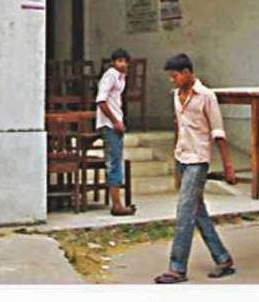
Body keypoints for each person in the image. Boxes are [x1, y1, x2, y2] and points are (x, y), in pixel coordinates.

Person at [154, 53, 237, 283]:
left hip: (198, 160)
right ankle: (223, 258)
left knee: (184, 211)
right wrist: (176, 157)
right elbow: (179, 127)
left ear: (187, 72)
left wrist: (228, 166)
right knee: (197, 211)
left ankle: (177, 267)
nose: (172, 80)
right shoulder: (176, 96)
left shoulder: (207, 96)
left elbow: (218, 132)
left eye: (175, 75)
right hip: (182, 157)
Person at [95, 48, 136, 216]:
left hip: (116, 121)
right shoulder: (110, 75)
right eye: (119, 61)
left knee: (116, 160)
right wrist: (115, 121)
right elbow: (101, 101)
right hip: (110, 124)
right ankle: (117, 205)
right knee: (114, 162)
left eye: (125, 61)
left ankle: (118, 202)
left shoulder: (121, 77)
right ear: (113, 62)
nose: (123, 64)